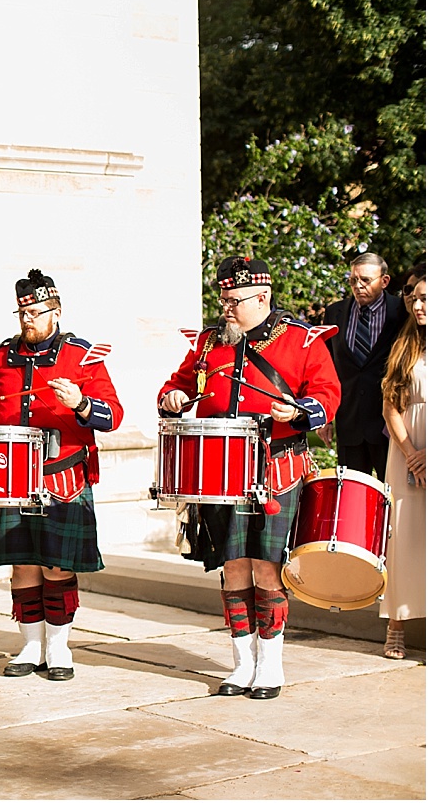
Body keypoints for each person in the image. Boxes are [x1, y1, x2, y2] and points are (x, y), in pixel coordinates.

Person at [159, 255, 340, 699]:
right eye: (223, 300)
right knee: (233, 567)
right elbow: (173, 388)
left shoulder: (301, 340)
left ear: (263, 298)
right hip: (219, 474)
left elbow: (327, 396)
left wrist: (298, 412)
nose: (226, 309)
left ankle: (271, 667)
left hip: (275, 468)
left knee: (267, 568)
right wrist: (174, 397)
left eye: (234, 301)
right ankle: (241, 666)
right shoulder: (207, 344)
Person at [0, 269, 123, 681]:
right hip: (14, 476)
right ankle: (30, 646)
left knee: (57, 566)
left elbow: (113, 416)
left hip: (64, 475)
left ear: (56, 311)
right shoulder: (1, 355)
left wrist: (81, 403)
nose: (27, 320)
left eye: (34, 312)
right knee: (23, 567)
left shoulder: (82, 356)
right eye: (22, 314)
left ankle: (59, 648)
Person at [323, 253, 408, 481]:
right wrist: (324, 416)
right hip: (349, 422)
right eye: (353, 280)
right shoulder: (335, 313)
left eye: (366, 280)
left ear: (385, 281)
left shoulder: (401, 312)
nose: (358, 286)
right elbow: (326, 369)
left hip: (389, 425)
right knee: (353, 498)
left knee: (390, 497)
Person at [379, 270, 425, 659]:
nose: (418, 304)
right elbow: (390, 403)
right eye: (415, 297)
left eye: (426, 298)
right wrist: (411, 451)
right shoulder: (405, 345)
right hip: (406, 450)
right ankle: (396, 625)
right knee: (403, 536)